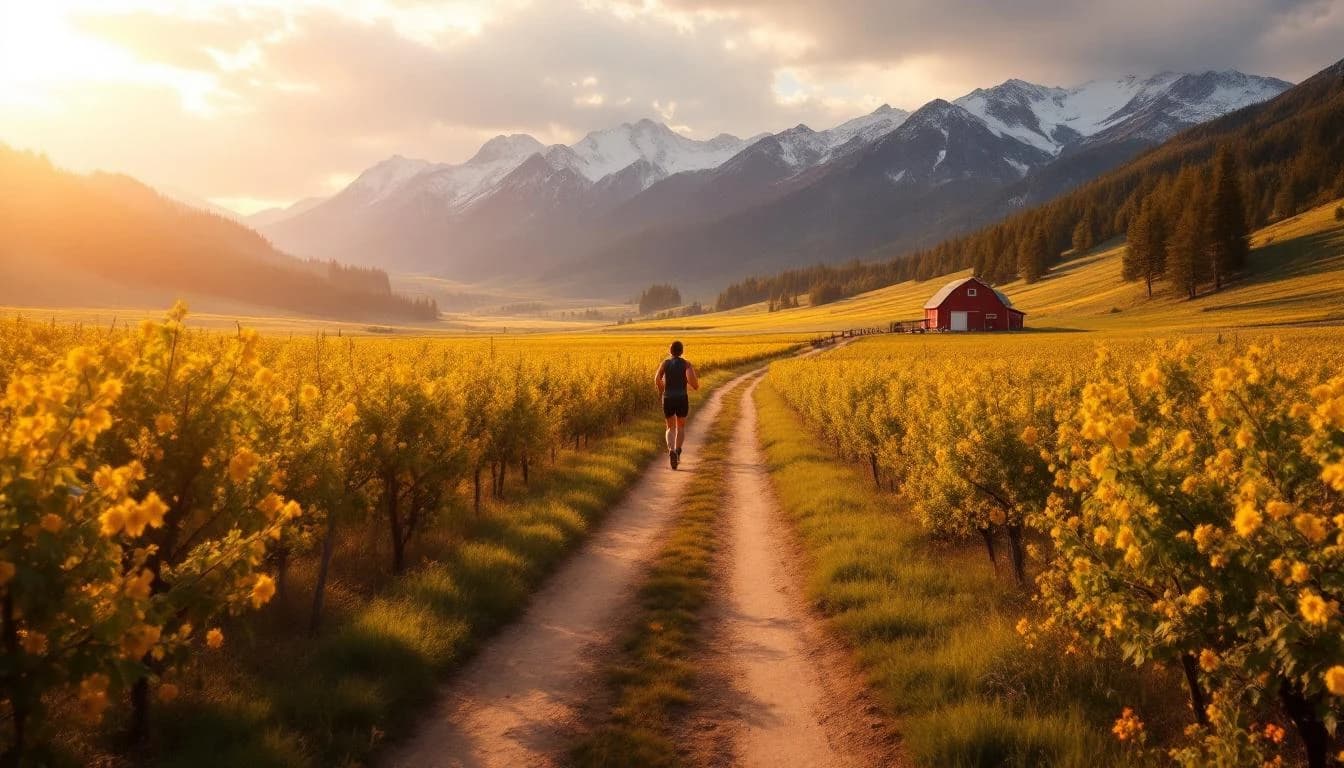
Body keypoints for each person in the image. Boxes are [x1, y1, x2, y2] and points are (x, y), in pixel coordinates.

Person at [654, 340, 699, 469]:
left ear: (670, 351)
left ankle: (671, 450)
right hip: (681, 398)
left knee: (670, 427)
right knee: (681, 427)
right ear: (682, 351)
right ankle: (678, 451)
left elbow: (657, 379)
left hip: (668, 398)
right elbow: (694, 384)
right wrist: (693, 384)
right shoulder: (686, 364)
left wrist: (662, 390)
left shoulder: (665, 363)